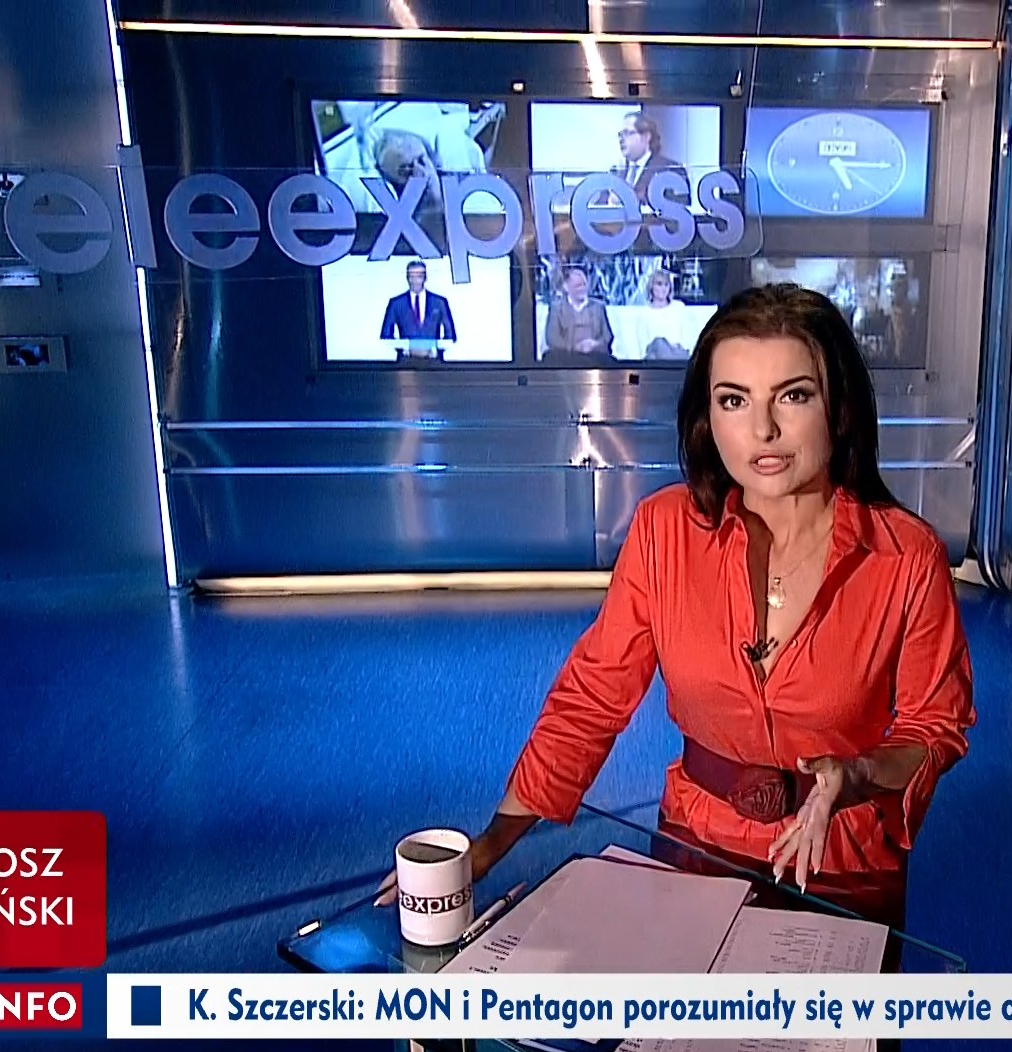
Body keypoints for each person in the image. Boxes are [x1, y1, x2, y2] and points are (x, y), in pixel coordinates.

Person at [383, 284, 976, 931]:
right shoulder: (663, 531)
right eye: (734, 400)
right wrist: (491, 844)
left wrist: (858, 774)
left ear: (839, 409)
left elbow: (935, 728)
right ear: (707, 417)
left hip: (840, 863)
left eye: (793, 396)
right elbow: (591, 699)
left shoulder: (906, 555)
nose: (763, 430)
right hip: (695, 849)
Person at [379, 261, 457, 359]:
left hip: (434, 362)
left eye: (419, 276)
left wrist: (435, 349)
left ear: (425, 277)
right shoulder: (396, 303)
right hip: (405, 362)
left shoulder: (439, 302)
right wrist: (405, 349)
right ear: (407, 278)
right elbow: (386, 335)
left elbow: (450, 335)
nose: (415, 280)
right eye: (412, 276)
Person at [615, 111, 687, 209]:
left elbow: (677, 211)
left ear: (646, 137)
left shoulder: (669, 169)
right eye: (620, 135)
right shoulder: (617, 172)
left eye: (627, 133)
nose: (621, 139)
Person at [543, 264, 614, 359]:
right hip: (567, 358)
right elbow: (552, 339)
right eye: (578, 286)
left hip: (594, 356)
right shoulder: (556, 309)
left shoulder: (598, 307)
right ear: (566, 287)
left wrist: (595, 345)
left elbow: (608, 336)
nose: (582, 288)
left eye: (584, 284)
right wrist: (575, 348)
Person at [635, 267, 691, 361]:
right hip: (653, 357)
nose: (663, 288)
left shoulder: (678, 307)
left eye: (666, 285)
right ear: (651, 287)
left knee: (660, 344)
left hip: (677, 354)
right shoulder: (644, 313)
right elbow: (643, 346)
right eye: (659, 284)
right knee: (658, 344)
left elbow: (687, 337)